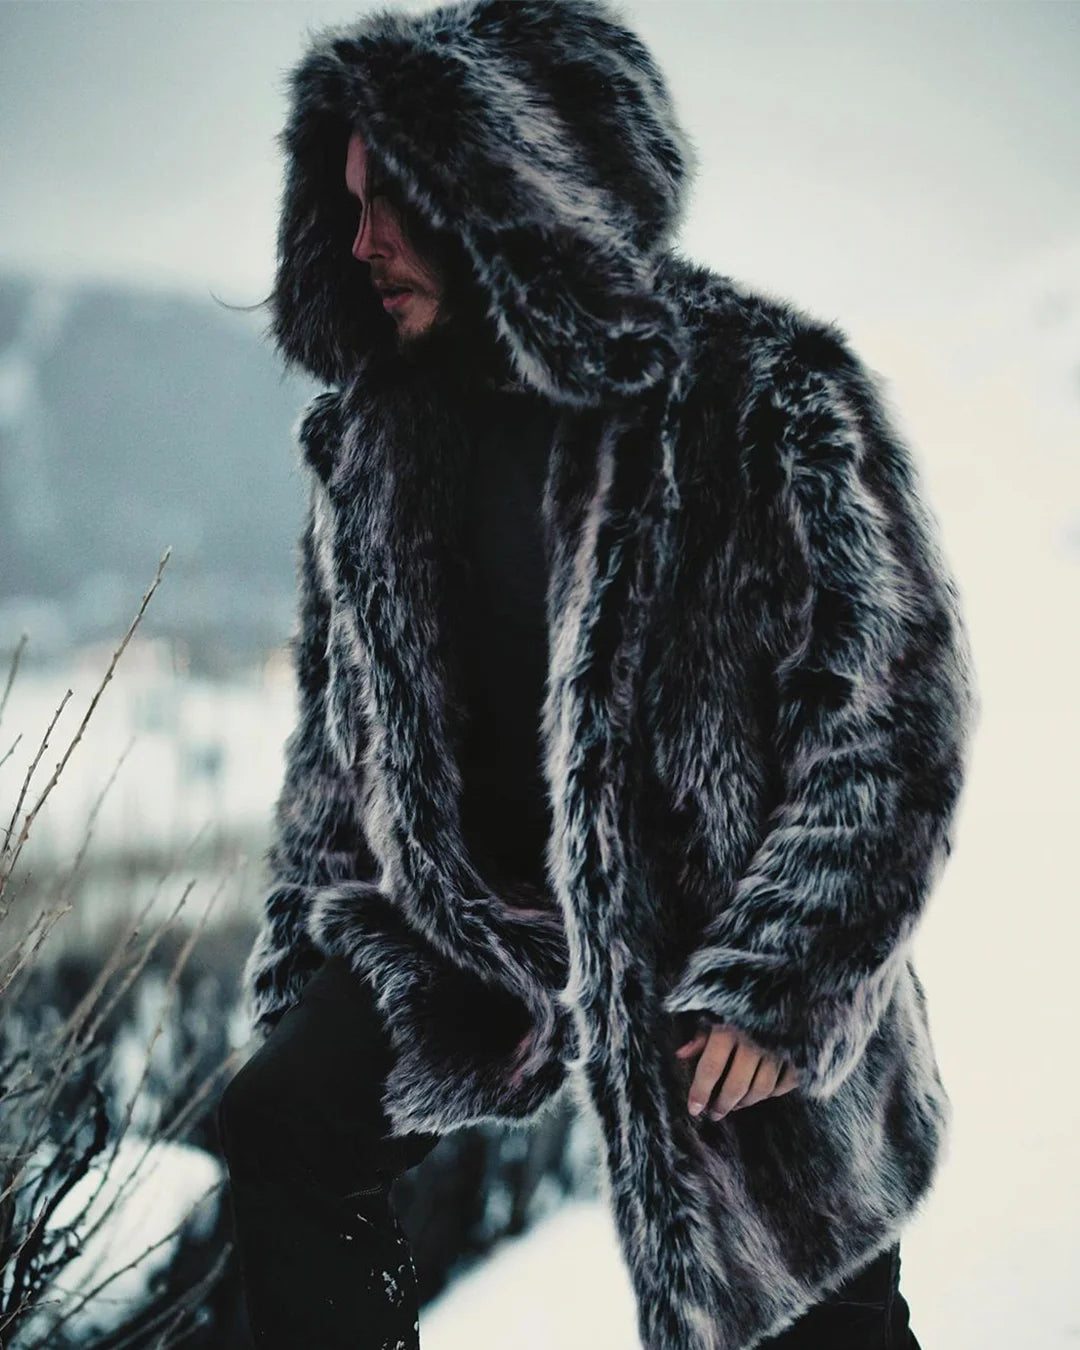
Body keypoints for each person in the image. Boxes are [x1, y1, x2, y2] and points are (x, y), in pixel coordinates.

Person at [215, 1, 979, 1348]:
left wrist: (781, 976)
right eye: (344, 206)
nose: (363, 242)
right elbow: (337, 758)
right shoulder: (376, 444)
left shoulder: (767, 392)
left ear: (505, 187)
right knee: (281, 1133)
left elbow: (895, 717)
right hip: (481, 933)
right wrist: (307, 983)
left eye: (390, 197)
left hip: (716, 926)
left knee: (805, 1300)